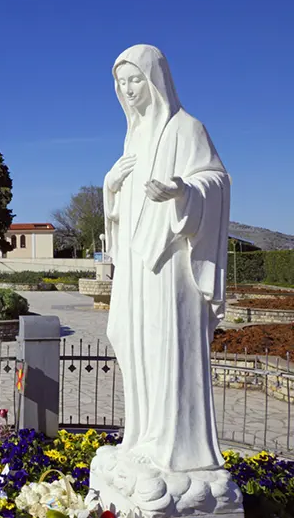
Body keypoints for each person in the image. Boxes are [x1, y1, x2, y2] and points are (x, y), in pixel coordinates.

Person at [102, 45, 230, 472]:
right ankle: (142, 434)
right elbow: (122, 204)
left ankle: (176, 447)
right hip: (138, 267)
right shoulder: (132, 134)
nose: (128, 89)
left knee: (166, 347)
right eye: (121, 83)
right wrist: (110, 186)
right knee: (135, 342)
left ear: (155, 80)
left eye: (135, 79)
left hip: (172, 262)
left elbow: (215, 179)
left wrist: (183, 191)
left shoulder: (187, 128)